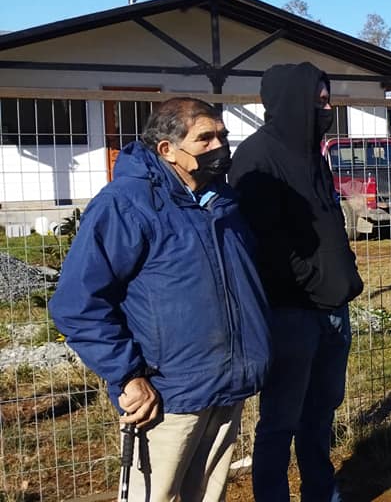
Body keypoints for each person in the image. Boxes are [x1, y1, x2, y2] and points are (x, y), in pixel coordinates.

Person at [49, 98, 270, 502]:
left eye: (222, 135)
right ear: (167, 149)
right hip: (166, 396)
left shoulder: (222, 202)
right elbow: (77, 303)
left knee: (207, 496)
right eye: (205, 138)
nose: (219, 145)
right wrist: (128, 376)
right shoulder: (126, 204)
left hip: (226, 384)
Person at [230, 63, 364, 502]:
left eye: (328, 100)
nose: (327, 108)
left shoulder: (313, 153)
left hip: (332, 311)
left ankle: (321, 494)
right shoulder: (257, 159)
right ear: (293, 100)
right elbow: (266, 247)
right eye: (319, 101)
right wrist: (318, 280)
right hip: (292, 314)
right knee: (279, 423)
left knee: (320, 415)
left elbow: (325, 226)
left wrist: (342, 270)